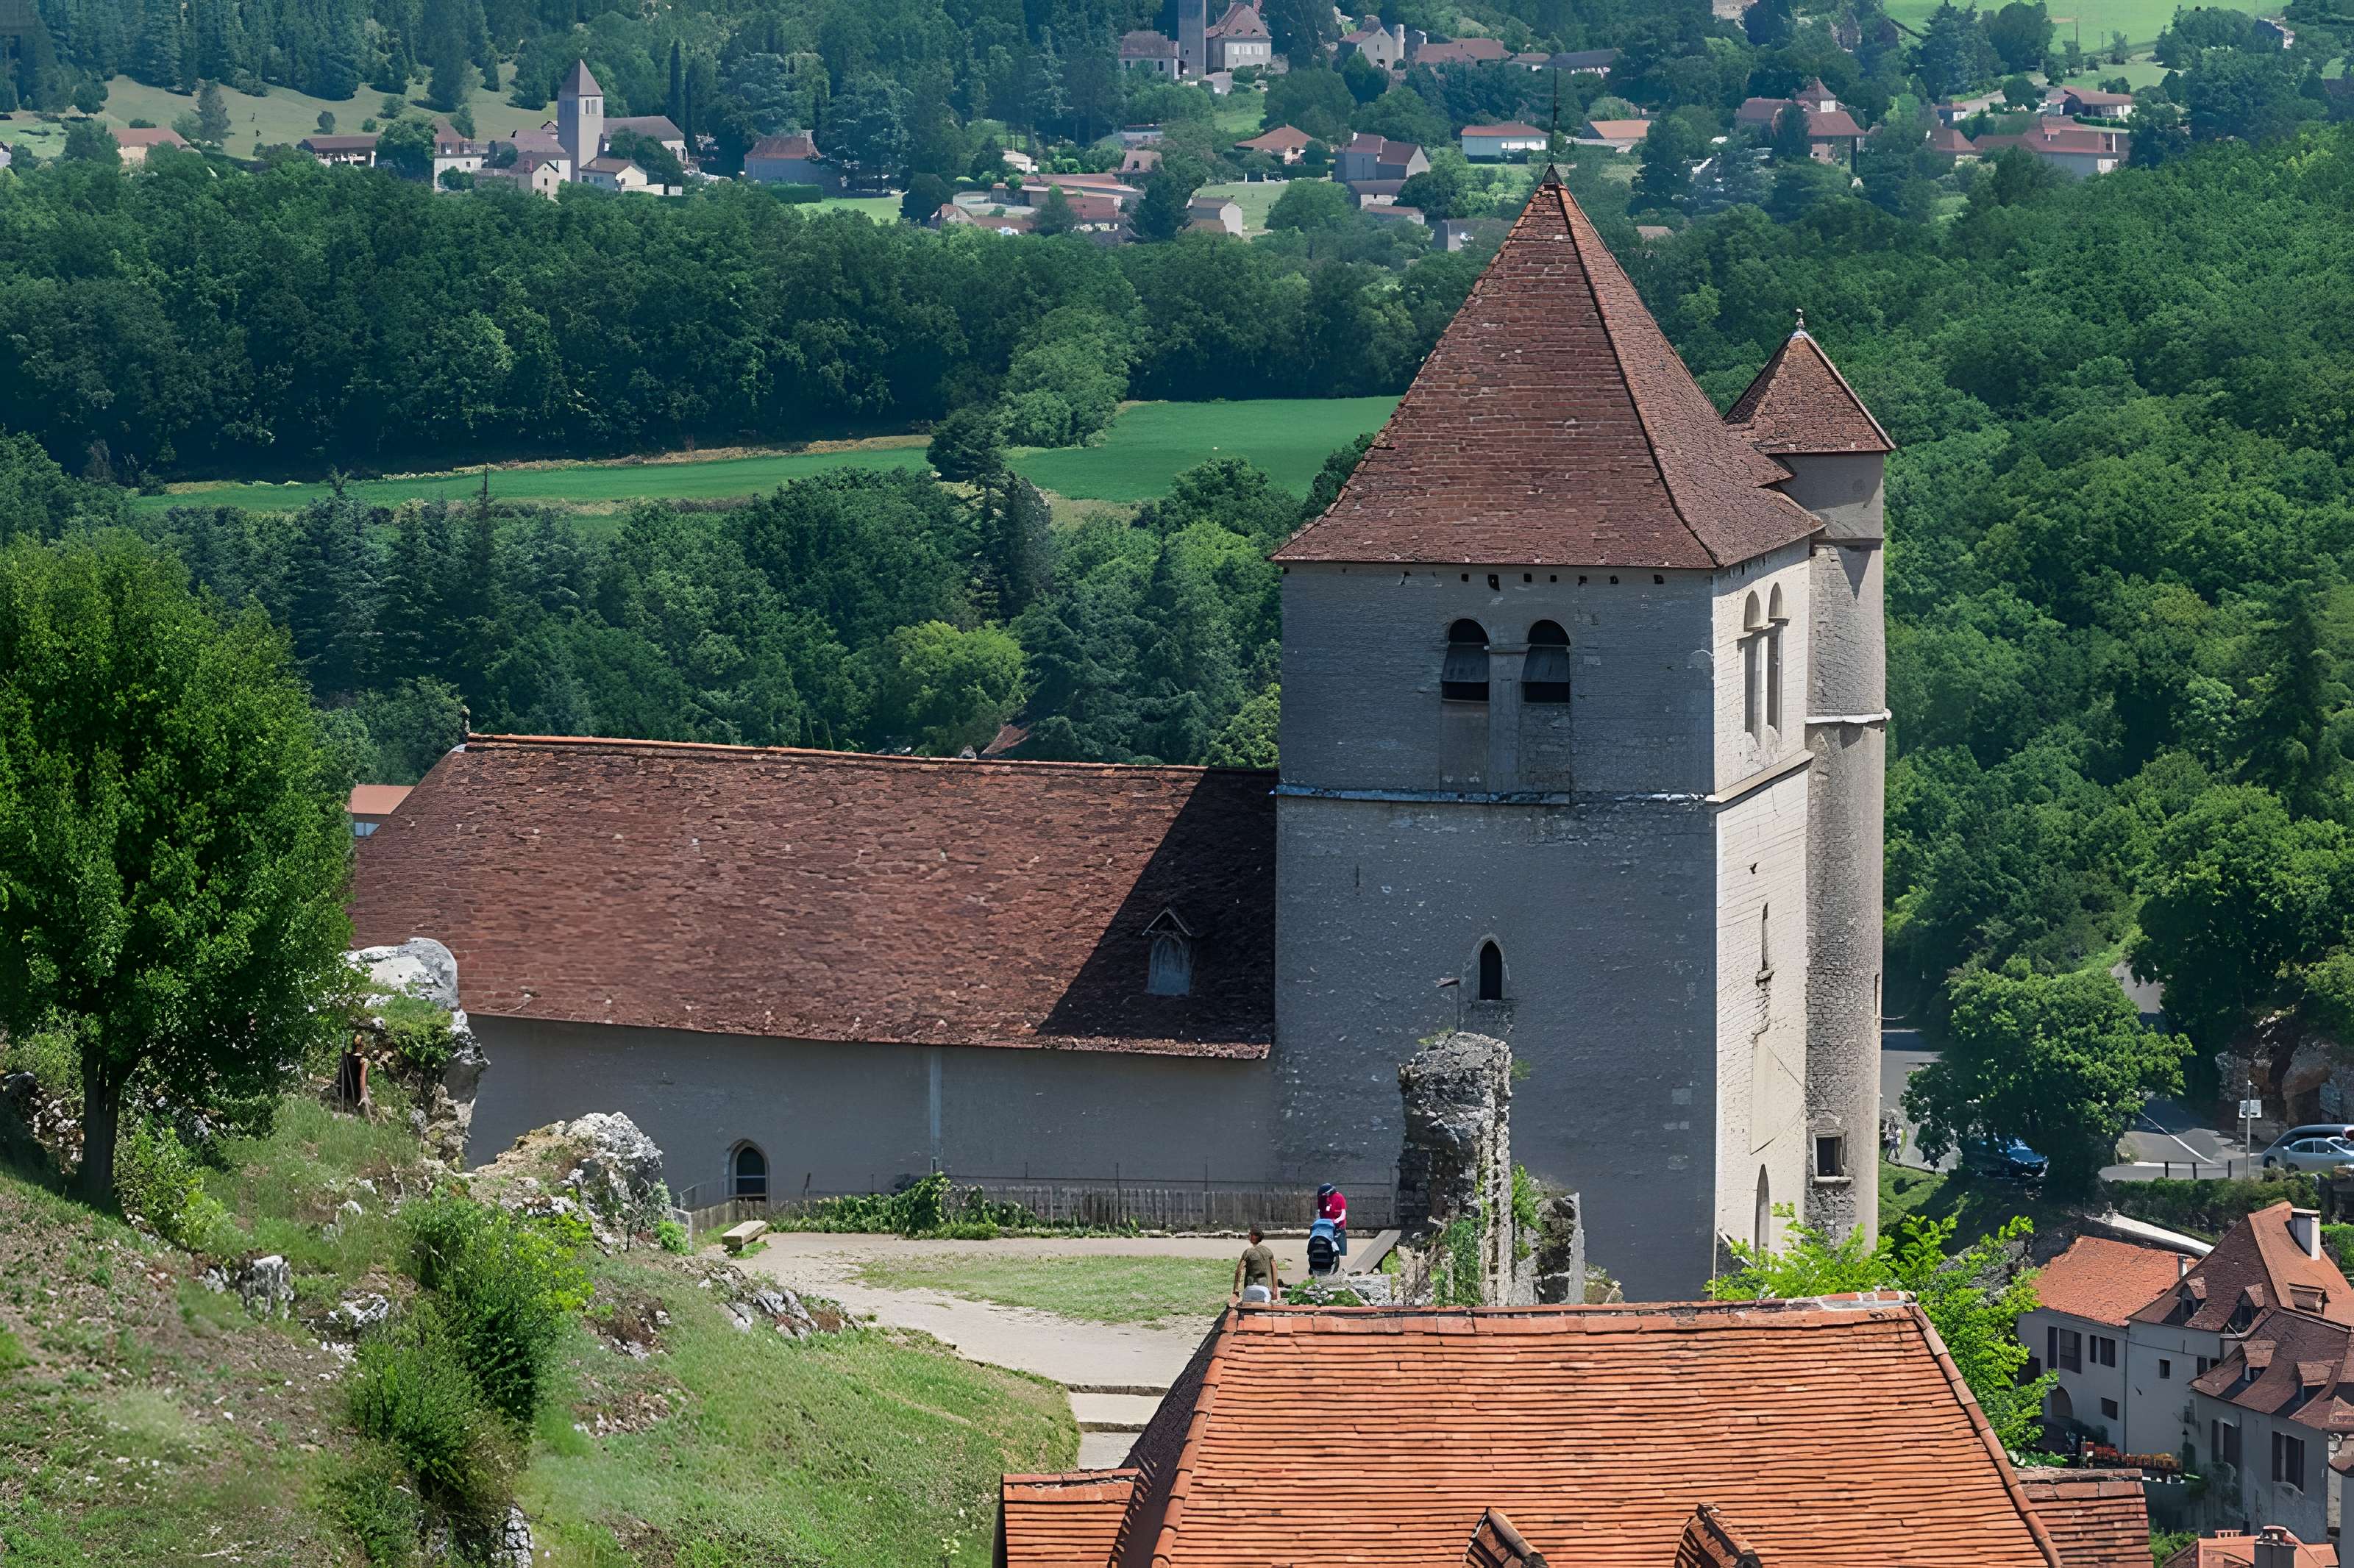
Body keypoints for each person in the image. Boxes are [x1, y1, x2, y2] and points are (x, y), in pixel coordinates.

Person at [1234, 1227, 1280, 1302]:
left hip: (1250, 1289)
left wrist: (1236, 1291)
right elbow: (1275, 1270)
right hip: (1266, 1290)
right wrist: (1275, 1291)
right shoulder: (1268, 1251)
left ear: (1253, 1237)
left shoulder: (1248, 1252)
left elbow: (1239, 1271)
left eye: (1250, 1235)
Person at [1317, 1183, 1348, 1258]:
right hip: (1327, 1227)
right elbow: (1320, 1212)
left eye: (1324, 1194)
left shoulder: (1339, 1198)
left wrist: (1336, 1221)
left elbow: (1343, 1214)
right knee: (1327, 1248)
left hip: (1338, 1227)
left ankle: (1342, 1257)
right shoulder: (1324, 1199)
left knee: (1340, 1250)